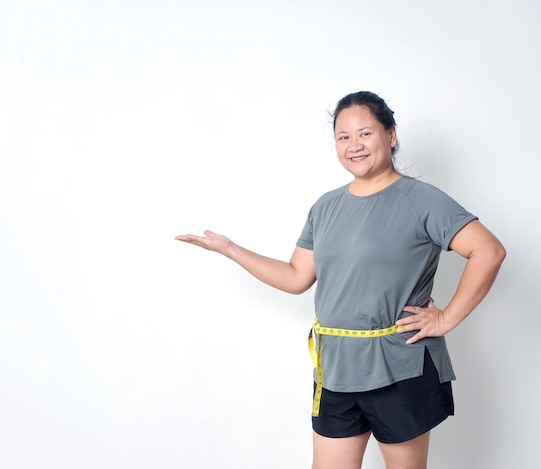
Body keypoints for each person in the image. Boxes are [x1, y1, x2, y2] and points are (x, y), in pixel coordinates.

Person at [175, 91, 506, 469]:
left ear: (391, 135)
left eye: (365, 133)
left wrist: (446, 318)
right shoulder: (325, 206)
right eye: (343, 137)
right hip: (336, 370)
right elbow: (297, 276)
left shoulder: (421, 200)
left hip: (399, 365)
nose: (354, 145)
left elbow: (488, 251)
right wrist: (230, 248)